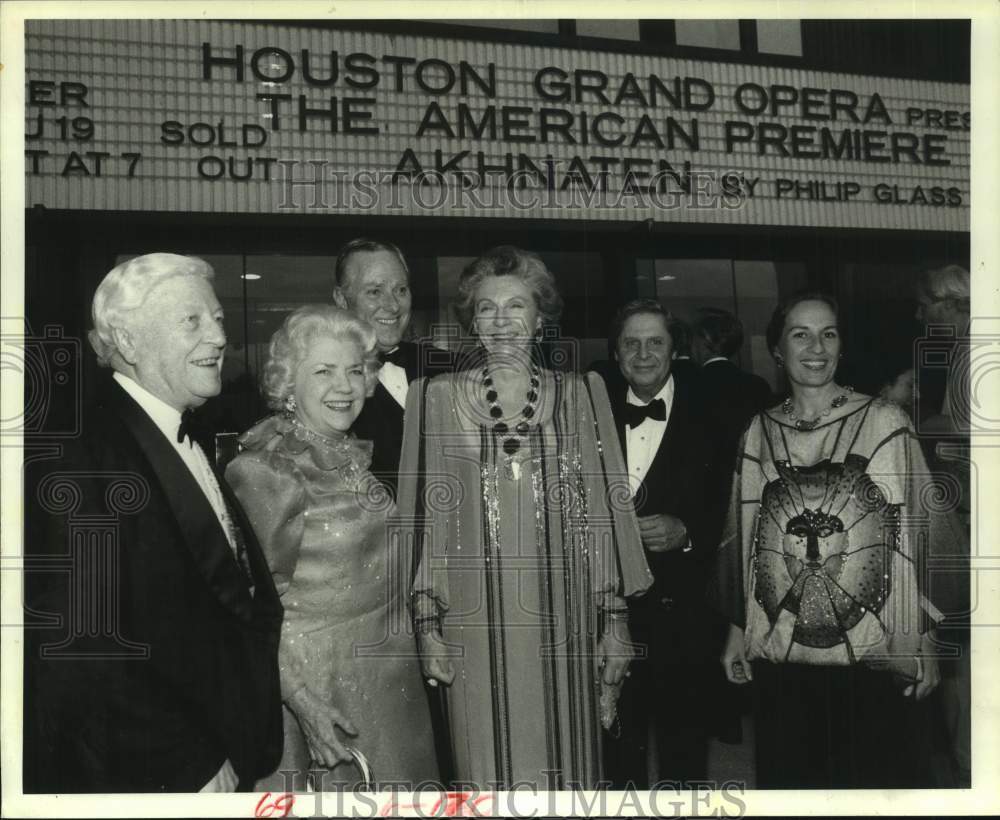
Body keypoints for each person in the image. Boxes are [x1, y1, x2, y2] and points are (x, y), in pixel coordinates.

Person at [23, 253, 283, 792]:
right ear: (130, 342)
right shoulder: (82, 457)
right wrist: (188, 767)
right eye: (192, 320)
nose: (218, 337)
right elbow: (84, 652)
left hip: (225, 746)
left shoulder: (175, 432)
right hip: (165, 771)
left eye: (217, 319)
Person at [397, 247, 653, 789]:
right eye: (486, 308)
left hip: (567, 623)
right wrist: (427, 626)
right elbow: (427, 527)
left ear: (541, 320)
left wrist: (616, 621)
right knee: (483, 776)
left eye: (517, 306)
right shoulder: (435, 398)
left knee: (569, 774)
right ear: (472, 321)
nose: (501, 321)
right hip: (471, 626)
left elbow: (600, 517)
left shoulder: (581, 395)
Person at [713, 290, 966, 788]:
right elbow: (745, 544)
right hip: (783, 656)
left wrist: (927, 640)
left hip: (874, 654)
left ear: (842, 347)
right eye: (800, 334)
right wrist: (737, 632)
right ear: (778, 350)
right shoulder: (757, 432)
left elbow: (922, 535)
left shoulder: (885, 423)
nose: (817, 346)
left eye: (828, 333)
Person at [226, 305, 438, 790]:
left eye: (354, 370)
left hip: (389, 682)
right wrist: (301, 699)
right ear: (287, 383)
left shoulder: (350, 453)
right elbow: (245, 614)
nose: (343, 386)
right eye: (322, 371)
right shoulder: (269, 472)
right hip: (323, 695)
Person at [593, 299, 721, 788]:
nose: (643, 354)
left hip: (685, 611)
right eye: (631, 343)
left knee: (684, 749)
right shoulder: (593, 411)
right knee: (616, 746)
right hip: (612, 609)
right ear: (616, 351)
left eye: (655, 342)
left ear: (675, 350)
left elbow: (733, 507)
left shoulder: (712, 413)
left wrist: (688, 533)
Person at [333, 238, 453, 499]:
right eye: (374, 291)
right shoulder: (326, 388)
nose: (393, 306)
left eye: (400, 290)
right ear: (342, 300)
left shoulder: (450, 368)